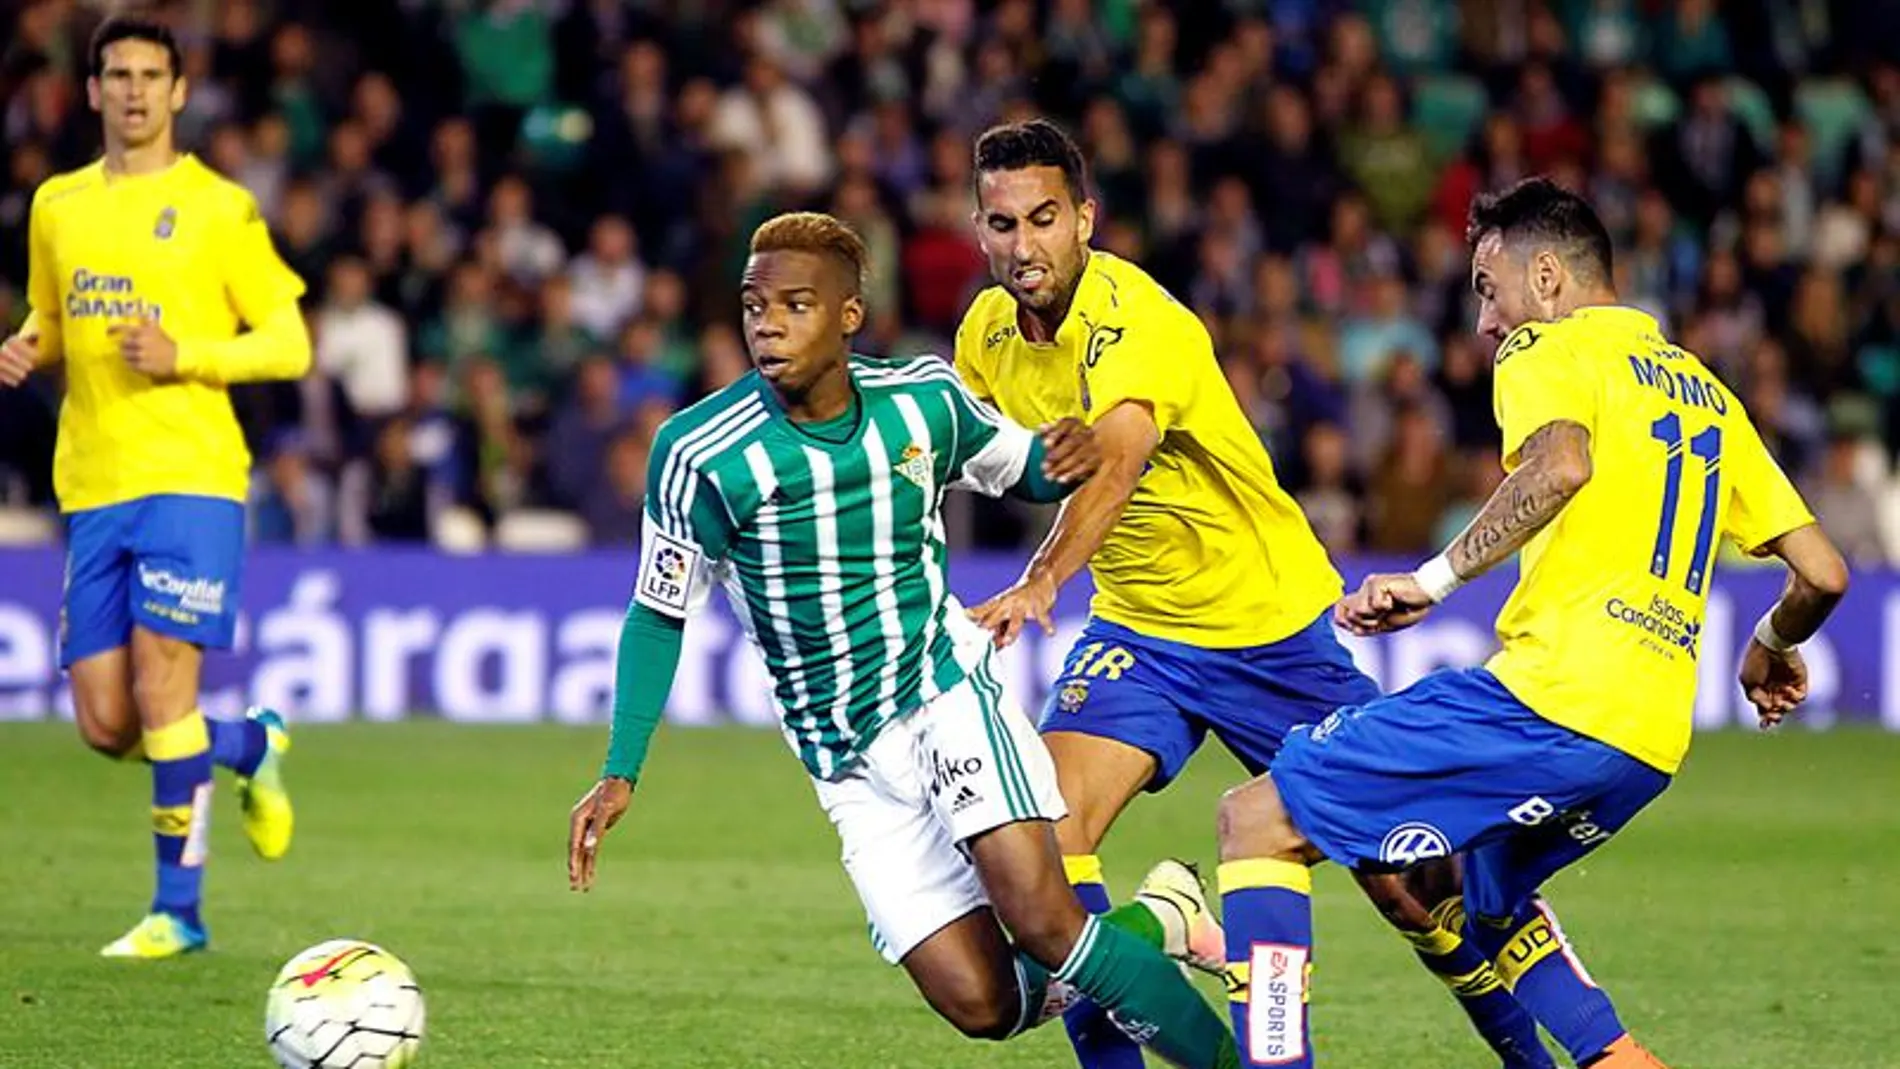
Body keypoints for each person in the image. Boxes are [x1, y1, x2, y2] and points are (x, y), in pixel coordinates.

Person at [955, 118, 1580, 1069]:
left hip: (1271, 629)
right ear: (980, 226)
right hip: (1142, 635)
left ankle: (1532, 1056)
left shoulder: (1140, 321)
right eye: (1003, 224)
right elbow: (958, 450)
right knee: (1046, 844)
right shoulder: (986, 334)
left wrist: (1042, 578)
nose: (1023, 244)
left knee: (1412, 881)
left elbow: (1116, 463)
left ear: (1085, 218)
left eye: (1044, 218)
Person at [565, 211, 1242, 1068]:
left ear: (848, 315)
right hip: (847, 764)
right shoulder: (697, 453)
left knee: (1043, 921)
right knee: (983, 1002)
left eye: (795, 304)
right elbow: (657, 610)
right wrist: (620, 767)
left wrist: (1065, 452)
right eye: (753, 305)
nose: (767, 324)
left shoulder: (922, 400)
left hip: (944, 697)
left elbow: (1018, 465)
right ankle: (1160, 919)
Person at [1215, 177, 1849, 1069]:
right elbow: (1823, 572)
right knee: (1490, 895)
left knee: (1257, 817)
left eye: (1487, 286)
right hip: (1648, 745)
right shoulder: (1706, 393)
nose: (1483, 321)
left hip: (1553, 700)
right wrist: (1773, 643)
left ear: (1545, 276)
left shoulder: (1547, 348)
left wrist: (1431, 581)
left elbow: (1561, 466)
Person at [0, 14, 309, 959]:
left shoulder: (220, 207)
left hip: (192, 475)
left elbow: (288, 344)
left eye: (151, 75)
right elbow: (54, 316)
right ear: (92, 91)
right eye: (117, 74)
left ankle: (179, 912)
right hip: (92, 483)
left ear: (179, 92)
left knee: (162, 690)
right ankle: (250, 746)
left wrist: (187, 356)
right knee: (106, 721)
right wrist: (28, 344)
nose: (134, 90)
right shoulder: (56, 206)